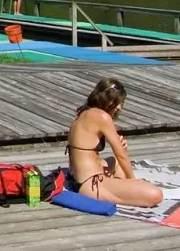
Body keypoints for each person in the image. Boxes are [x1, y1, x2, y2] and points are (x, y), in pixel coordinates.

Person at [66, 78, 164, 207]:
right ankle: (123, 188)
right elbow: (121, 155)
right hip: (91, 184)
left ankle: (119, 187)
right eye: (116, 102)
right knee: (156, 194)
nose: (119, 107)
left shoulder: (82, 114)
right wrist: (132, 181)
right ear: (105, 99)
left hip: (77, 178)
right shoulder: (102, 117)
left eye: (121, 103)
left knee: (115, 162)